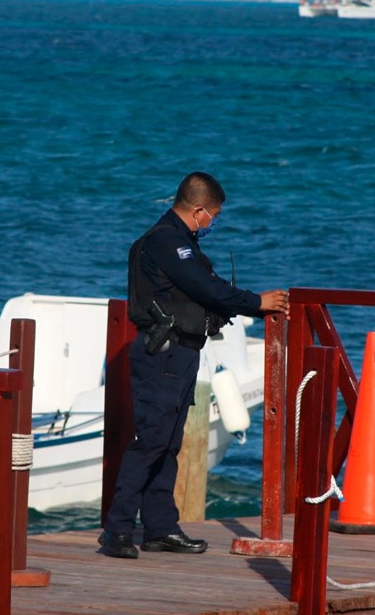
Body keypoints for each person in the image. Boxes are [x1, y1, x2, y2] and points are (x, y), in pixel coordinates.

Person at [99, 171, 289, 559]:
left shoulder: (176, 242)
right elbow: (207, 288)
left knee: (168, 443)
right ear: (199, 209)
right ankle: (117, 530)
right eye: (213, 216)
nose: (212, 223)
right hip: (163, 354)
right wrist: (257, 302)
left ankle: (160, 528)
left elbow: (204, 289)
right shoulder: (168, 242)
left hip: (181, 353)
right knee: (151, 441)